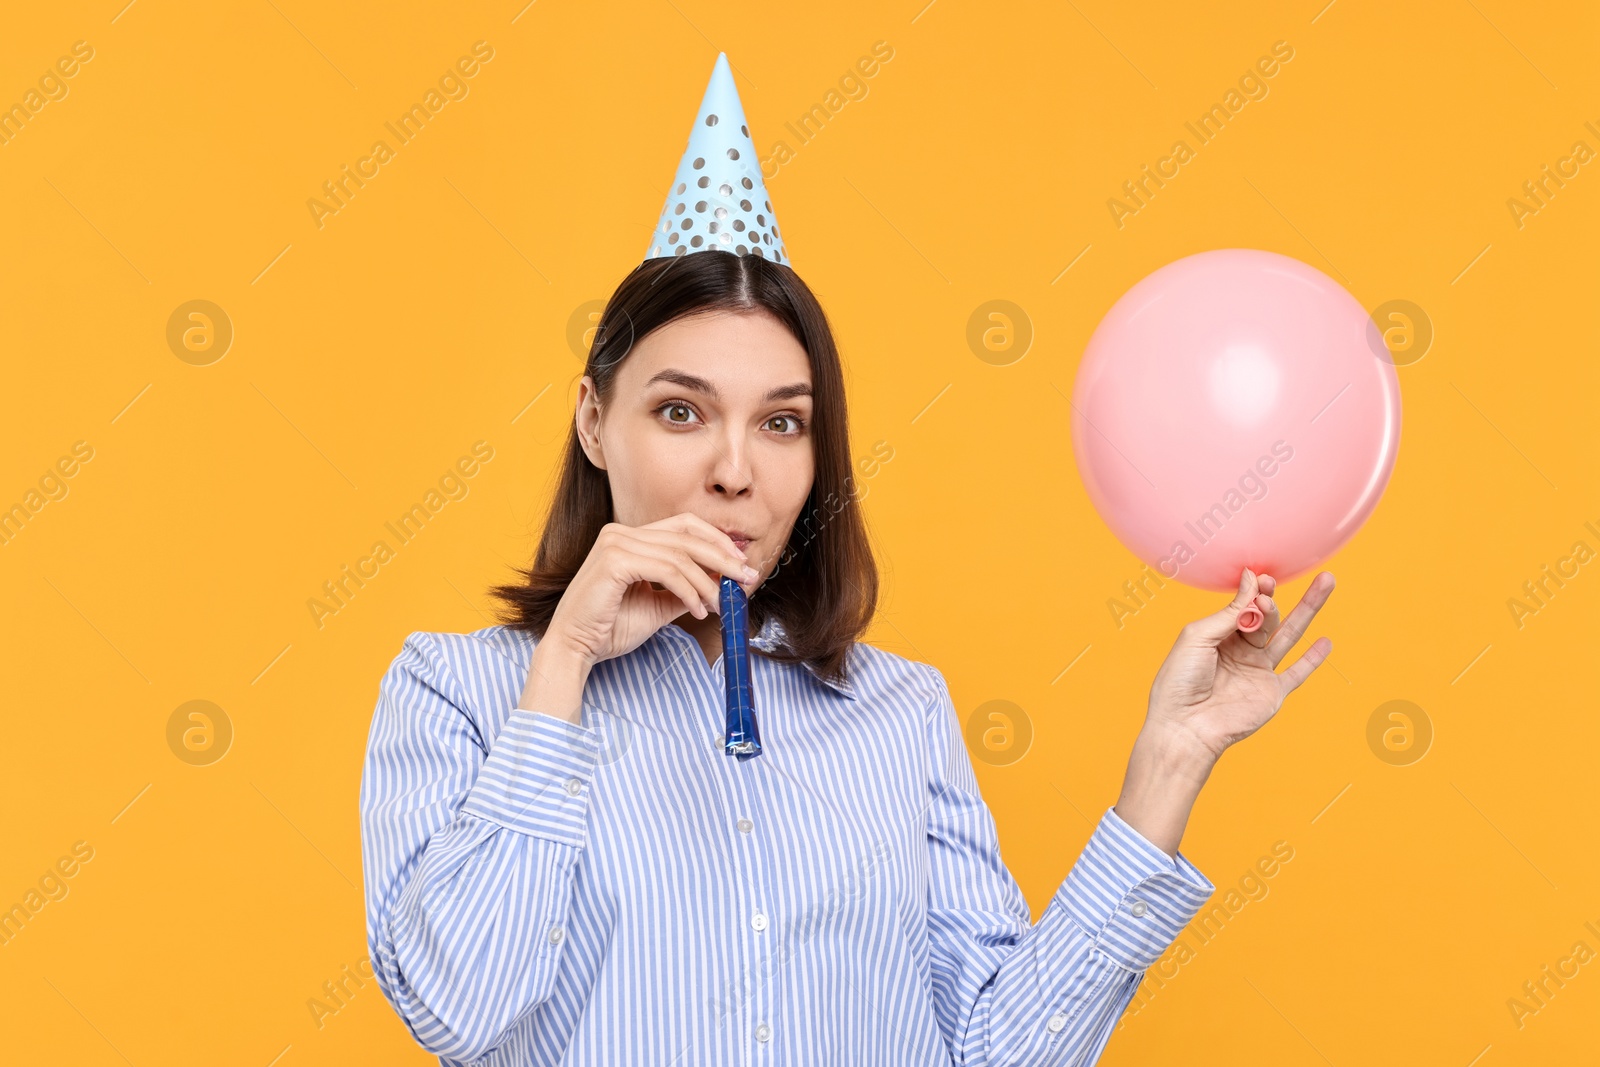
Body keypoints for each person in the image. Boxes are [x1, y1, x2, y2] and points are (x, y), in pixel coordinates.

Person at [358, 55, 1335, 1067]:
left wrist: (1169, 761)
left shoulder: (900, 713)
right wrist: (559, 669)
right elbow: (463, 1013)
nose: (734, 470)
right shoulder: (457, 690)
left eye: (782, 422)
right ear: (595, 422)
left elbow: (1000, 1051)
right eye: (681, 411)